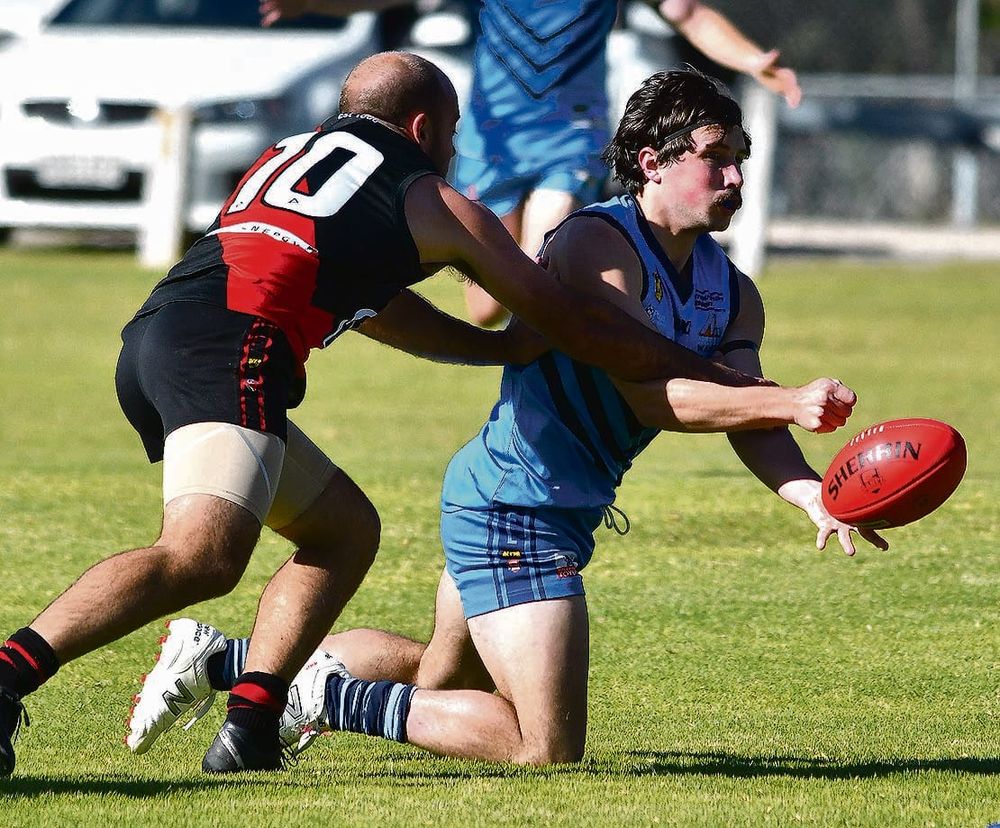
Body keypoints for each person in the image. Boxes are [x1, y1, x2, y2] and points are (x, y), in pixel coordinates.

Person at [0, 52, 781, 780]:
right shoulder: (428, 198)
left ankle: (252, 720)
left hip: (163, 336)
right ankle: (7, 678)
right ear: (422, 130)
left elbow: (373, 307)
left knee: (344, 532)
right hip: (231, 348)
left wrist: (497, 355)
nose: (454, 153)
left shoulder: (287, 153)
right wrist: (727, 379)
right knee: (202, 556)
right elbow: (567, 318)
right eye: (453, 135)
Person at [260, 0, 801, 327]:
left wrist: (753, 60)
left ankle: (561, 386)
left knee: (543, 254)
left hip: (571, 134)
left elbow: (689, 12)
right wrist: (313, 5)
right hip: (491, 139)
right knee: (486, 307)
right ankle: (548, 334)